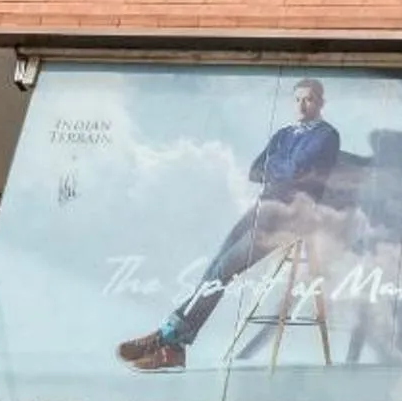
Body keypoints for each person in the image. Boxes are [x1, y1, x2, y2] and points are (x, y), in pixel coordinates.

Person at [121, 80, 342, 371]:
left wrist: (277, 167)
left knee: (225, 269)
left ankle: (167, 337)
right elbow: (255, 170)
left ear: (321, 103)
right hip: (264, 207)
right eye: (298, 99)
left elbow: (296, 169)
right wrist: (283, 168)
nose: (303, 105)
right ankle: (172, 345)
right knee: (215, 269)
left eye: (310, 100)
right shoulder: (283, 134)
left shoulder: (327, 135)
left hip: (292, 216)